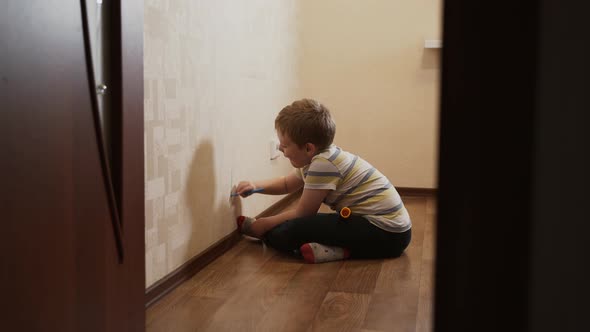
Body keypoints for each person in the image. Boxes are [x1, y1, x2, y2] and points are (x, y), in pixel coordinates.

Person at [234, 98, 411, 263]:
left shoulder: (323, 164)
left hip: (387, 235)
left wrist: (265, 223)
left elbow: (303, 213)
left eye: (285, 145)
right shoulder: (319, 158)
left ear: (308, 148)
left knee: (289, 231)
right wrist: (256, 185)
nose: (280, 148)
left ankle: (340, 251)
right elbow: (287, 184)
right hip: (384, 229)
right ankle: (331, 248)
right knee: (298, 225)